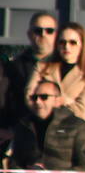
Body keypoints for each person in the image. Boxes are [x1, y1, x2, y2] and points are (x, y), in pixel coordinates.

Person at [26, 21, 85, 122]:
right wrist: (70, 102)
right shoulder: (42, 67)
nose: (66, 47)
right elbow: (29, 96)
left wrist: (61, 100)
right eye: (62, 42)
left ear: (82, 45)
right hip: (40, 125)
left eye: (73, 42)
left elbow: (84, 112)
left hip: (70, 131)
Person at [2, 12, 58, 141]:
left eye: (49, 30)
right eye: (38, 30)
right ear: (29, 34)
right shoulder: (14, 67)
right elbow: (7, 103)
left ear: (56, 34)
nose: (43, 35)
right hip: (23, 137)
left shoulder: (66, 66)